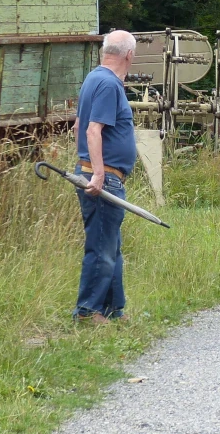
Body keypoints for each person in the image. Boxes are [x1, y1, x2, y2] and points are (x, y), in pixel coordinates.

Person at [73, 29, 137, 323]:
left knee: (111, 246)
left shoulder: (94, 79)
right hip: (104, 177)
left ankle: (114, 309)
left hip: (102, 173)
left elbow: (77, 126)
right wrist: (97, 173)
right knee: (101, 246)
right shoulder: (109, 84)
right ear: (129, 55)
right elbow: (90, 130)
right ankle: (87, 311)